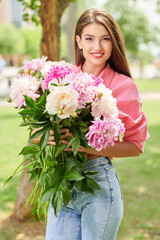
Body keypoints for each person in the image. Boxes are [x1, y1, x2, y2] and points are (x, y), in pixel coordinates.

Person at [43, 8, 149, 240]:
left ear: (114, 43)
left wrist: (85, 146)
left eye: (105, 39)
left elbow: (136, 146)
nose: (97, 47)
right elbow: (37, 128)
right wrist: (43, 137)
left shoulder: (124, 85)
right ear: (78, 41)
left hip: (99, 188)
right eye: (89, 38)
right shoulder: (60, 80)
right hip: (62, 183)